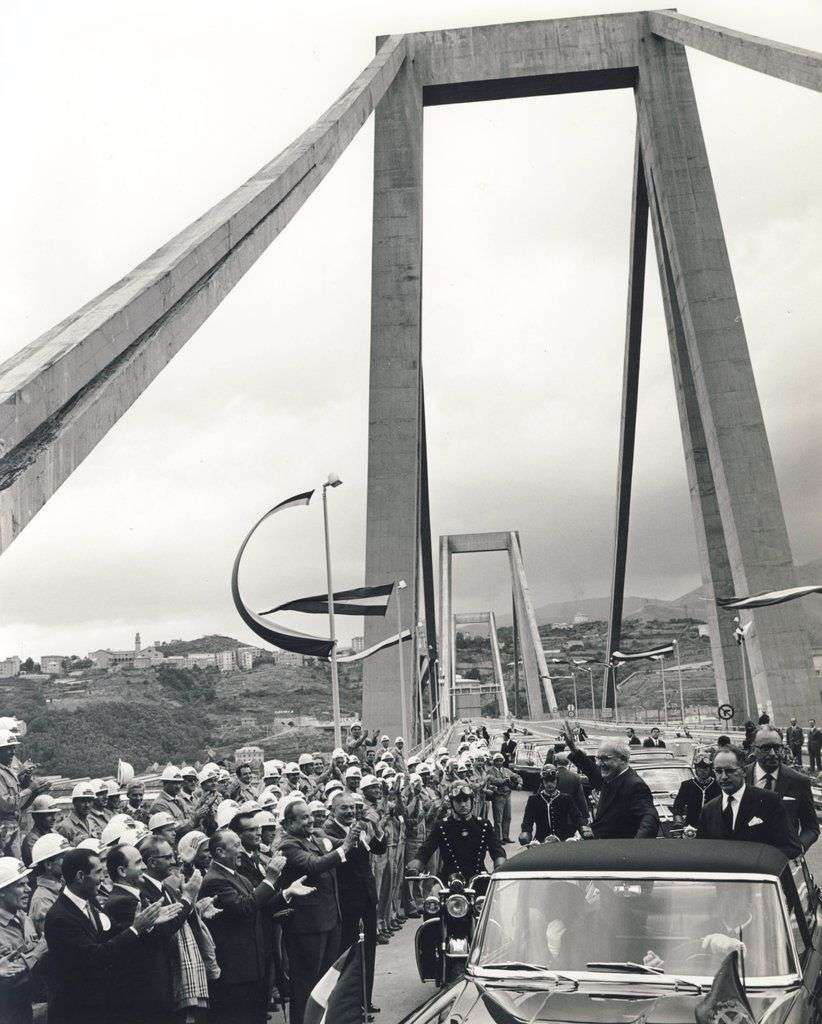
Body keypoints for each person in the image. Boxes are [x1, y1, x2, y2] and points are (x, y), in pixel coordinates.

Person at [200, 828, 310, 1024]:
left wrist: (288, 892)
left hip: (253, 966)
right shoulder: (214, 880)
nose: (241, 850)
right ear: (220, 852)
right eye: (236, 845)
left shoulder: (237, 877)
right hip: (235, 971)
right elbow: (244, 907)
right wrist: (270, 879)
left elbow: (261, 905)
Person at [44, 846, 164, 1024]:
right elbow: (94, 956)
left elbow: (111, 932)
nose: (102, 879)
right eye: (98, 872)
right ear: (80, 876)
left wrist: (144, 924)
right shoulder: (60, 918)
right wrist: (135, 929)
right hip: (77, 1012)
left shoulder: (90, 901)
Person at [278, 799, 359, 1024]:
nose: (311, 820)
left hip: (329, 919)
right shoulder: (289, 846)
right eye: (304, 817)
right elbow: (313, 865)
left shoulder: (313, 837)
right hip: (307, 926)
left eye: (310, 816)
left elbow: (341, 845)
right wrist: (344, 847)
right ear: (289, 823)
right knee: (305, 985)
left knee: (326, 981)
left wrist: (350, 839)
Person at [104, 840, 197, 1024]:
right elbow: (161, 933)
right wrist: (187, 898)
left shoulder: (136, 895)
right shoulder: (121, 902)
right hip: (144, 993)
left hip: (156, 987)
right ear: (122, 871)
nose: (144, 866)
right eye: (138, 863)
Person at [325, 791, 385, 1014]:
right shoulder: (328, 832)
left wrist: (377, 827)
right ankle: (349, 1006)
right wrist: (351, 838)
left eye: (352, 807)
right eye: (344, 808)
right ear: (333, 810)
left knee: (368, 951)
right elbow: (342, 857)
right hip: (347, 903)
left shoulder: (358, 827)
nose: (350, 811)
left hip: (367, 899)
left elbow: (378, 849)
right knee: (350, 955)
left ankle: (364, 1001)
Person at [696, 746, 802, 859]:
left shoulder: (769, 801)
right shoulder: (708, 810)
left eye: (730, 771)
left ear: (744, 771)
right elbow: (702, 853)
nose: (724, 777)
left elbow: (791, 847)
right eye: (718, 771)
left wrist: (756, 860)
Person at [561, 724, 659, 838]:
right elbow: (591, 770)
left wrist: (637, 846)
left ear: (623, 759)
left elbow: (649, 817)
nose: (599, 763)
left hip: (618, 850)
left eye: (605, 759)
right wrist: (572, 747)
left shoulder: (635, 785)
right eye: (599, 758)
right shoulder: (612, 776)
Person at [408, 782, 507, 882]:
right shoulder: (442, 825)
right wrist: (416, 865)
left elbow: (497, 850)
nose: (463, 805)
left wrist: (500, 866)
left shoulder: (483, 825)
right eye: (458, 801)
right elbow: (426, 849)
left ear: (472, 801)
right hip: (448, 880)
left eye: (466, 800)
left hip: (478, 879)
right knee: (433, 895)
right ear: (451, 803)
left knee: (492, 897)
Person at [746, 727, 818, 851]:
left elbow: (811, 827)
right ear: (754, 749)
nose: (773, 753)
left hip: (784, 860)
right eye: (766, 748)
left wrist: (799, 847)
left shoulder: (799, 781)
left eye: (777, 747)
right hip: (747, 858)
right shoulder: (740, 777)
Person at [0, 856, 44, 1024]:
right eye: (20, 885)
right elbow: (7, 979)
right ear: (2, 891)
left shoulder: (21, 916)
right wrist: (39, 952)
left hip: (29, 1006)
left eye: (26, 883)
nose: (28, 889)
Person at [0, 729, 49, 858]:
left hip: (12, 829)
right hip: (4, 832)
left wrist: (33, 790)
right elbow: (7, 804)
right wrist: (31, 789)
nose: (13, 752)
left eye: (13, 748)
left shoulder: (7, 772)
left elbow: (20, 805)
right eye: (8, 748)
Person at [519, 765, 583, 843]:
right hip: (541, 840)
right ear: (542, 782)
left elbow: (576, 817)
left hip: (564, 839)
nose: (549, 784)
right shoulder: (534, 800)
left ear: (557, 781)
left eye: (552, 780)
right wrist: (526, 833)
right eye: (546, 781)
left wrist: (583, 828)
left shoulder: (566, 798)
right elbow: (527, 821)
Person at [28, 833, 71, 936]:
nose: (68, 862)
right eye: (63, 858)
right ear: (48, 864)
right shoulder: (42, 899)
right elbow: (53, 937)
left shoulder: (63, 885)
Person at [672, 752, 720, 828]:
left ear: (710, 769)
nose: (702, 771)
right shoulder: (687, 785)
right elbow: (678, 806)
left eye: (705, 768)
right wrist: (678, 819)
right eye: (699, 768)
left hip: (714, 826)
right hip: (692, 826)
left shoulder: (718, 785)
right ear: (696, 769)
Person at [486, 752, 521, 842]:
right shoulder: (490, 772)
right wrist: (506, 781)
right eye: (497, 761)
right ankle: (499, 838)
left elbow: (517, 776)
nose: (499, 763)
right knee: (498, 819)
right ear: (494, 762)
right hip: (498, 797)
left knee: (507, 817)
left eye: (501, 761)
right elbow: (494, 782)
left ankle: (505, 836)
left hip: (507, 796)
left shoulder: (506, 770)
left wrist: (520, 783)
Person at [21, 794, 59, 867]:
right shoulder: (31, 840)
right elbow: (43, 865)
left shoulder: (54, 833)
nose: (54, 818)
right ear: (36, 817)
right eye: (49, 814)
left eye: (54, 814)